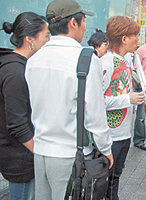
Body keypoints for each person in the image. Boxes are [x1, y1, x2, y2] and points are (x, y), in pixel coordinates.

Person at [25, 0, 113, 199]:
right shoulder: (86, 59)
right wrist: (106, 149)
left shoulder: (34, 59)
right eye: (83, 21)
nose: (85, 27)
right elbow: (95, 117)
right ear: (73, 22)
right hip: (71, 156)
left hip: (40, 151)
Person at [0, 12, 49, 200]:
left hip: (20, 154)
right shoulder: (15, 72)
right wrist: (40, 153)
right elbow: (17, 124)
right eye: (46, 35)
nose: (48, 40)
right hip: (20, 159)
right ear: (30, 39)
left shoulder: (19, 65)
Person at [102, 16, 144, 200]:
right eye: (135, 35)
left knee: (115, 177)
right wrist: (128, 98)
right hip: (111, 136)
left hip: (124, 133)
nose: (138, 39)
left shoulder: (126, 60)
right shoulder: (106, 62)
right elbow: (97, 101)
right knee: (107, 180)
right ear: (124, 39)